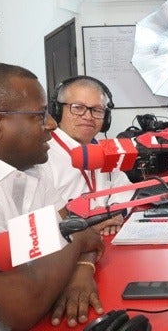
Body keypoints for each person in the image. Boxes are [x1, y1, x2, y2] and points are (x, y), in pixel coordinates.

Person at [0, 62, 105, 330]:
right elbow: (20, 306)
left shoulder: (29, 165)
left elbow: (81, 234)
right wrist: (78, 241)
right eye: (39, 115)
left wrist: (82, 266)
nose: (51, 124)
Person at [44, 76, 134, 234]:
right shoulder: (43, 154)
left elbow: (124, 187)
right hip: (68, 247)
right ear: (57, 110)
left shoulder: (104, 148)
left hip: (109, 238)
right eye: (78, 108)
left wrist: (116, 211)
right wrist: (85, 226)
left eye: (97, 110)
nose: (88, 116)